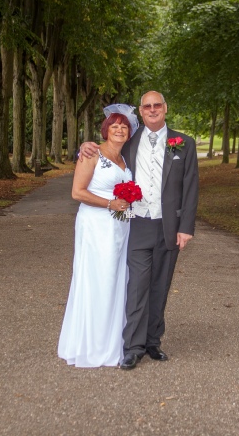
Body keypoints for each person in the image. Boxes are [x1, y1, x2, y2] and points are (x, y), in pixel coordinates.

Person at [79, 91, 199, 370]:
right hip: (137, 225)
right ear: (141, 112)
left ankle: (153, 342)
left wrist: (185, 227)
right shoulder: (130, 142)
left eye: (157, 105)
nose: (152, 110)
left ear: (165, 108)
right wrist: (85, 146)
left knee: (161, 285)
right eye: (147, 106)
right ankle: (133, 347)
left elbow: (191, 186)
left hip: (169, 226)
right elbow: (104, 153)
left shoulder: (184, 143)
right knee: (136, 286)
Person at [57, 104, 139, 367]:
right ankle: (92, 345)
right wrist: (110, 204)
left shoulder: (125, 158)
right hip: (95, 225)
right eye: (114, 125)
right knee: (98, 279)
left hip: (120, 227)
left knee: (115, 279)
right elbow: (77, 192)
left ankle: (114, 342)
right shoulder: (91, 153)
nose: (119, 130)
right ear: (106, 129)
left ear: (129, 132)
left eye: (124, 126)